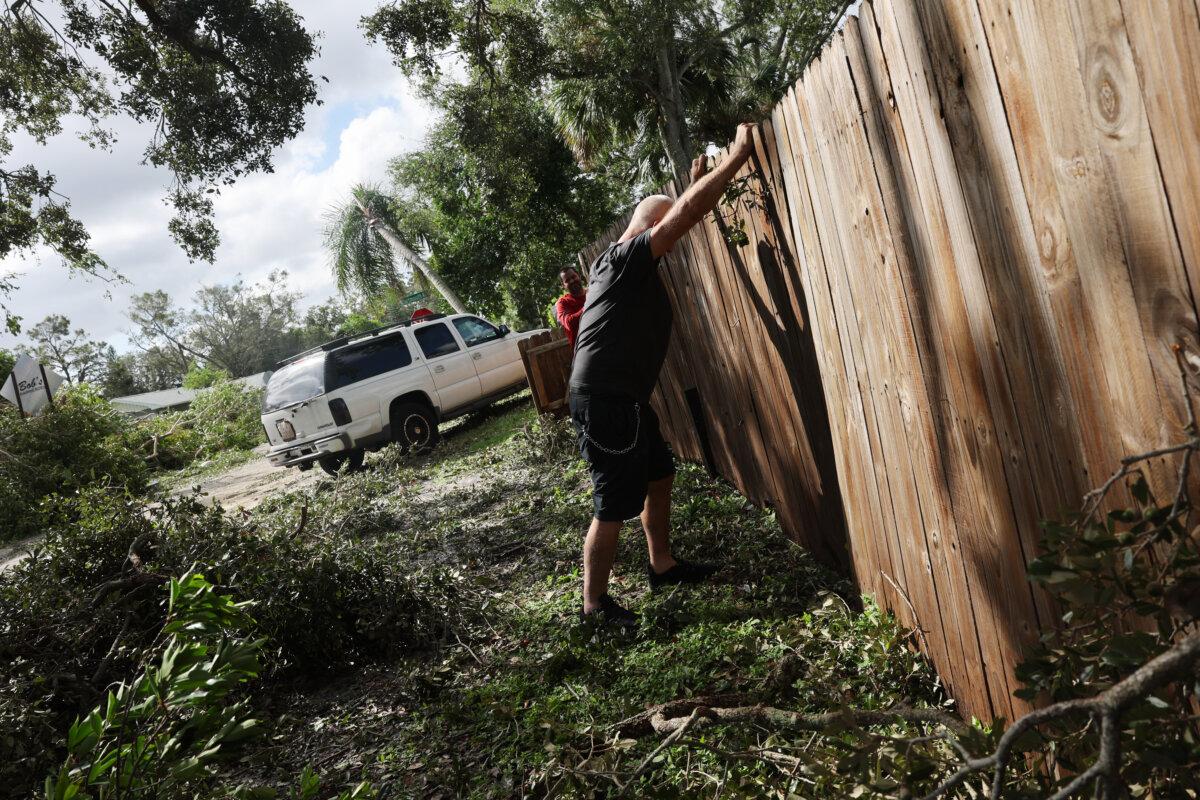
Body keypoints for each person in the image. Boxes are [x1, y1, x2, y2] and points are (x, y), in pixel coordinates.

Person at [569, 122, 758, 626]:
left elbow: (683, 209)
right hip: (607, 398)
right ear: (649, 229)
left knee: (659, 472)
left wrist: (694, 177)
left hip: (623, 397)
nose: (668, 249)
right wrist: (734, 160)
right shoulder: (626, 258)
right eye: (663, 235)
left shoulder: (629, 267)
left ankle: (662, 565)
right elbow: (685, 214)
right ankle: (595, 609)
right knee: (611, 502)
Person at [554, 267, 587, 346]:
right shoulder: (562, 302)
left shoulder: (592, 292)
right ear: (563, 285)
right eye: (567, 280)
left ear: (578, 276)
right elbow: (569, 323)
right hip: (584, 348)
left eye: (573, 277)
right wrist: (590, 305)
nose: (572, 281)